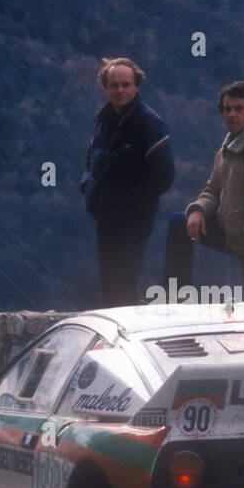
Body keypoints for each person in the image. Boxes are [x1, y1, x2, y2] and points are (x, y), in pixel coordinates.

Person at [163, 81, 244, 299]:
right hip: (231, 232)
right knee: (180, 223)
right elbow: (213, 190)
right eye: (227, 109)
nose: (231, 114)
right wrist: (198, 210)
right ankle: (176, 299)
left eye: (239, 108)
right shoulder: (230, 146)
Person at [80, 57, 174, 307]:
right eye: (114, 85)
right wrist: (88, 187)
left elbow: (163, 174)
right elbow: (91, 159)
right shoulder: (103, 122)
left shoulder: (149, 123)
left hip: (134, 217)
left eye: (125, 84)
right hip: (106, 214)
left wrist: (128, 201)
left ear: (136, 86)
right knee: (109, 281)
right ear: (105, 87)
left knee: (124, 280)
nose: (120, 90)